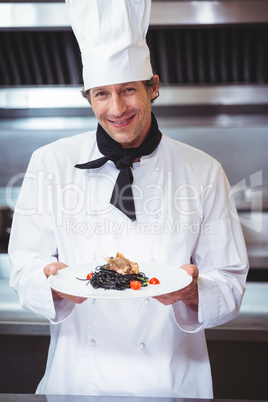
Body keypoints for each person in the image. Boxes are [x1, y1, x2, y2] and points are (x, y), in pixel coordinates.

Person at [8, 0, 249, 398]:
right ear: (88, 97)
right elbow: (23, 271)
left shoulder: (204, 171)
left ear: (153, 87)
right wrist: (51, 285)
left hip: (172, 382)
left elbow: (230, 285)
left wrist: (191, 291)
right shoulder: (49, 163)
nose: (116, 109)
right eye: (102, 94)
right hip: (77, 384)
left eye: (128, 91)